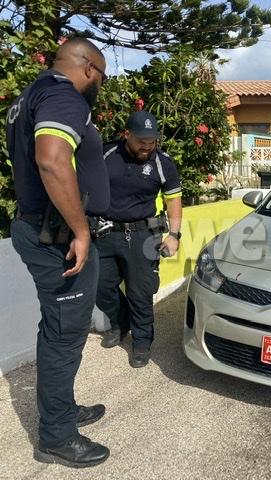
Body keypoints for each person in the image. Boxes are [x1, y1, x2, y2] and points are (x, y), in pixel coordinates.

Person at [7, 38, 111, 468]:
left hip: (40, 228)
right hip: (56, 238)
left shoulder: (28, 96)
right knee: (65, 336)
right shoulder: (64, 95)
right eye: (102, 77)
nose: (100, 86)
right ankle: (57, 436)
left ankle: (61, 409)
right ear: (89, 68)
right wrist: (81, 231)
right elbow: (51, 160)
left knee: (57, 329)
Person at [96, 110, 182, 368]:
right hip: (105, 232)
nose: (147, 147)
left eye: (152, 142)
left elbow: (173, 201)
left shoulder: (162, 163)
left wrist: (174, 235)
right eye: (142, 142)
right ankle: (120, 323)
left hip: (143, 234)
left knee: (140, 292)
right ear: (127, 135)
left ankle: (142, 342)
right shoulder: (106, 154)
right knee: (100, 286)